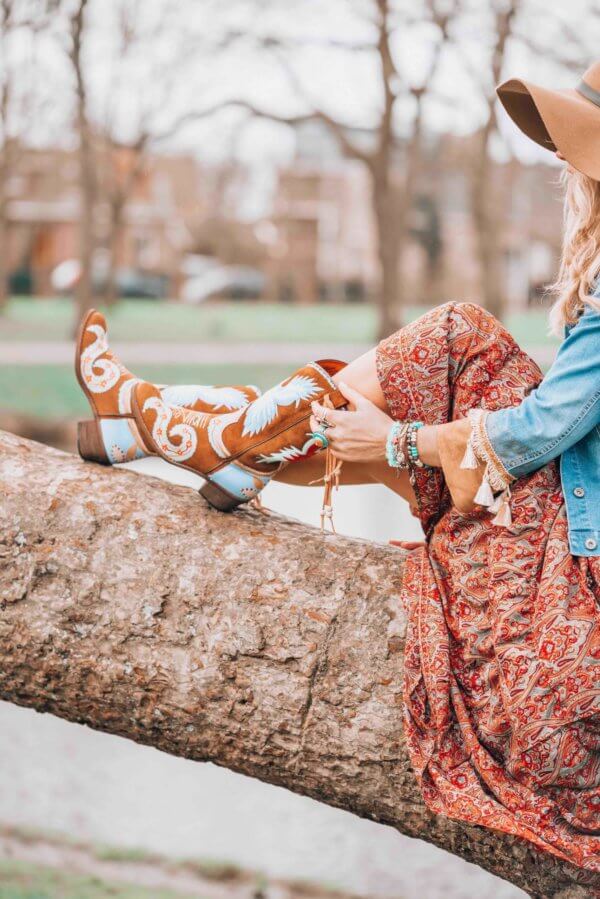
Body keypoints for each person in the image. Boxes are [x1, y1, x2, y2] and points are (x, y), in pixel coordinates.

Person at [74, 63, 600, 871]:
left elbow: (533, 433)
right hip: (562, 584)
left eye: (578, 149)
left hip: (564, 629)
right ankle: (165, 429)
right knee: (456, 351)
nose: (568, 166)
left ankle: (159, 424)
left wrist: (392, 445)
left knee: (457, 340)